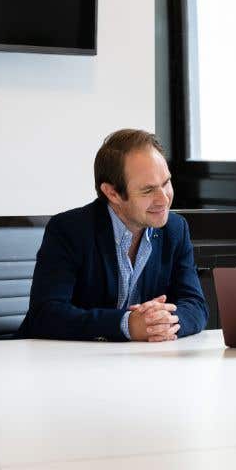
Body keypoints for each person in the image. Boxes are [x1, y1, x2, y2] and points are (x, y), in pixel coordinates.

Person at [19, 128, 208, 342]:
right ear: (112, 193)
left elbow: (195, 305)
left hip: (138, 364)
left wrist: (161, 323)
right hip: (66, 364)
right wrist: (126, 324)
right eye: (148, 190)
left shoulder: (175, 229)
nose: (163, 199)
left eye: (166, 183)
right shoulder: (69, 230)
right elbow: (45, 315)